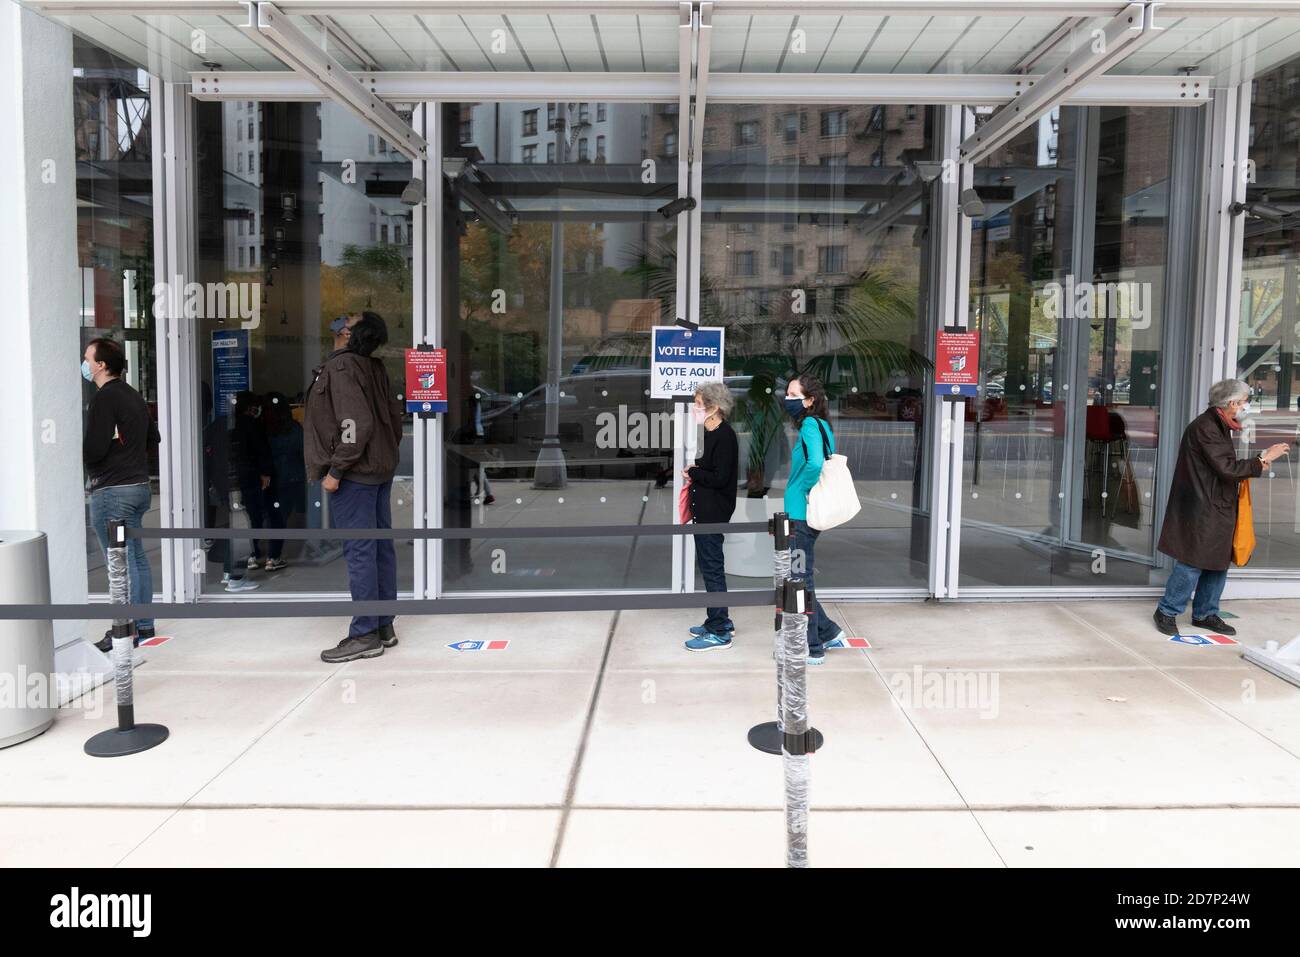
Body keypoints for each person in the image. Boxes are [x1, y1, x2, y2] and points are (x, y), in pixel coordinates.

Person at [304, 311, 405, 662]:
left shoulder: (343, 368)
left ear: (348, 333)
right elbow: (394, 420)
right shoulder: (371, 367)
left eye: (347, 318)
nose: (339, 319)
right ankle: (382, 625)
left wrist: (336, 470)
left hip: (356, 473)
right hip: (376, 468)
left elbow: (354, 424)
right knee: (378, 548)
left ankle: (364, 634)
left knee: (362, 551)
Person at [1153, 379, 1289, 636]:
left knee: (1218, 560)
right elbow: (1227, 469)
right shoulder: (1206, 428)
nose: (1247, 406)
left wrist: (1257, 462)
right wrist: (1262, 459)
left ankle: (1205, 613)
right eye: (1245, 401)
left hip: (1215, 502)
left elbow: (1224, 466)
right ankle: (1167, 610)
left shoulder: (1219, 424)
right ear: (1231, 404)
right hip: (1203, 504)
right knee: (1193, 560)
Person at [82, 337, 160, 650]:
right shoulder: (133, 395)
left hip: (113, 492)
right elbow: (153, 436)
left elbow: (94, 449)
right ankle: (143, 627)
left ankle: (123, 630)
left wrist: (95, 452)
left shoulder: (104, 398)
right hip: (139, 487)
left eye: (88, 359)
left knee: (119, 564)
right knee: (136, 559)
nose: (85, 364)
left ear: (101, 365)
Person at [783, 373, 847, 665]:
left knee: (799, 581)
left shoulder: (810, 424)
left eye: (794, 396)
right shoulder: (822, 425)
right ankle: (829, 630)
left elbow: (816, 464)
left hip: (800, 515)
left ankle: (813, 645)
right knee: (801, 578)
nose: (787, 400)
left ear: (809, 401)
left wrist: (804, 488)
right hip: (806, 515)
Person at [683, 382, 739, 651]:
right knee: (708, 567)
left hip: (713, 512)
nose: (695, 409)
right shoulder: (711, 432)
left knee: (712, 568)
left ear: (714, 408)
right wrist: (697, 469)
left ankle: (719, 632)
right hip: (705, 511)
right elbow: (712, 468)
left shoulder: (724, 436)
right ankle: (718, 620)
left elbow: (720, 478)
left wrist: (693, 473)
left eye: (698, 404)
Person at [202, 397, 259, 593]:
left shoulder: (215, 426)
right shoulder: (244, 426)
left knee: (233, 527)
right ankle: (236, 577)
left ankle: (229, 572)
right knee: (241, 529)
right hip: (236, 485)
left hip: (221, 485)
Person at [231, 390, 285, 571]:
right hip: (259, 478)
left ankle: (252, 555)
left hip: (241, 479)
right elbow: (262, 451)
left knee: (252, 517)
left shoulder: (232, 426)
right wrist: (266, 473)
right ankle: (273, 557)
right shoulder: (253, 425)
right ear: (250, 407)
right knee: (273, 515)